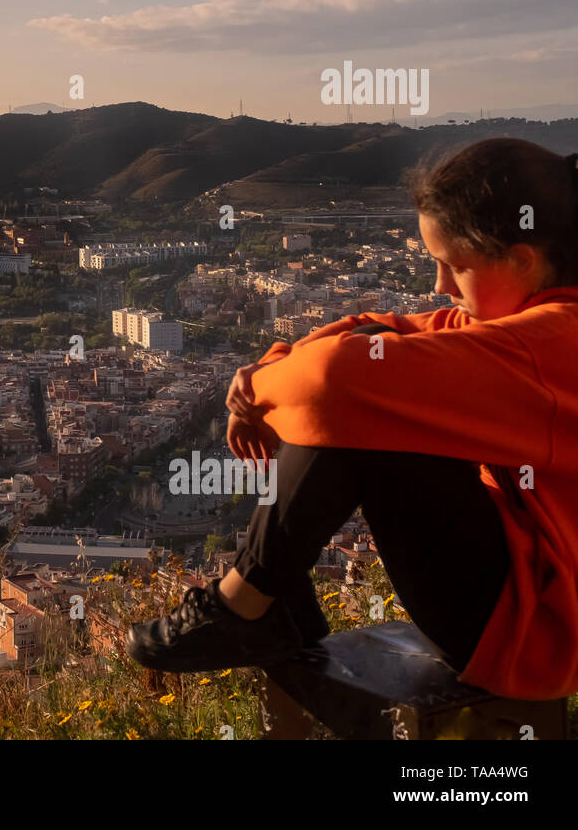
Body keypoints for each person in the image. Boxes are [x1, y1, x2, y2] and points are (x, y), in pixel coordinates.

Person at [128, 138, 578, 701]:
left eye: (455, 267)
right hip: (515, 593)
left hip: (528, 637)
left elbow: (336, 380)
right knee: (376, 357)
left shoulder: (552, 346)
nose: (439, 285)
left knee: (366, 400)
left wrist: (257, 393)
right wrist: (266, 367)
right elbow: (369, 330)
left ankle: (246, 605)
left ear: (521, 259)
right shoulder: (532, 324)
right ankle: (264, 599)